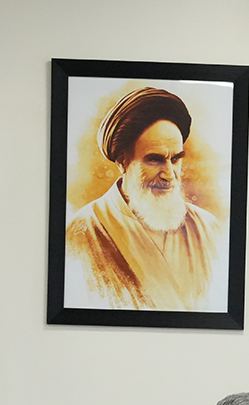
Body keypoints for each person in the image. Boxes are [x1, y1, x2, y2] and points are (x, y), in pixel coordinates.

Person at [65, 86, 226, 312]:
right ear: (123, 162)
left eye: (176, 159)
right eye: (154, 160)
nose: (169, 174)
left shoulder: (210, 229)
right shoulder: (79, 235)